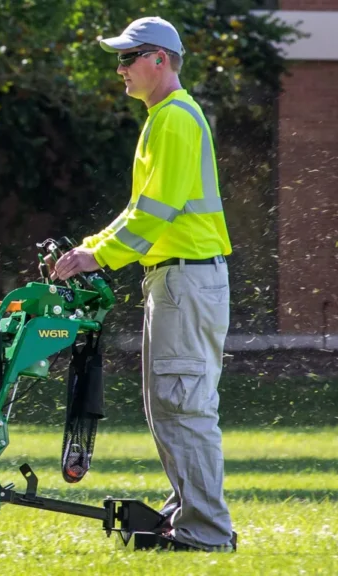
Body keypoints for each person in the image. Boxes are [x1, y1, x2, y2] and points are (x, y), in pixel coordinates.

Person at [48, 16, 235, 552]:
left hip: (186, 279)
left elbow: (157, 214)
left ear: (159, 59)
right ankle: (186, 516)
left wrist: (97, 257)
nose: (120, 69)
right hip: (175, 281)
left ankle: (206, 533)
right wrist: (89, 248)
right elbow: (138, 209)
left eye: (128, 58)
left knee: (183, 406)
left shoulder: (175, 118)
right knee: (168, 405)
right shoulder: (162, 118)